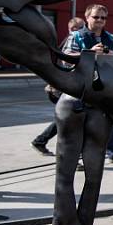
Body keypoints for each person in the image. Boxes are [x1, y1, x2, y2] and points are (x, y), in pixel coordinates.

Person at [65, 4, 113, 166]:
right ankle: (76, 159)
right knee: (79, 123)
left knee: (109, 120)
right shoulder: (77, 36)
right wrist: (90, 53)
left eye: (103, 17)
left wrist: (111, 55)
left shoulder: (110, 37)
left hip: (104, 85)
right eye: (96, 17)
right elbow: (66, 58)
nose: (100, 20)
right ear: (87, 17)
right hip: (81, 85)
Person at [31, 16, 85, 155]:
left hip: (62, 85)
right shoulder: (70, 42)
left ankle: (40, 141)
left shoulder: (74, 41)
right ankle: (45, 143)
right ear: (72, 29)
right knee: (68, 118)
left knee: (67, 118)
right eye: (80, 28)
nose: (83, 30)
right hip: (61, 87)